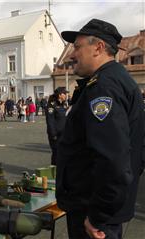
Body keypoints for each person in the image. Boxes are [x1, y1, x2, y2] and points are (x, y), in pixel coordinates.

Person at [56, 19, 145, 239]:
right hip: (104, 209)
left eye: (77, 47)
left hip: (93, 214)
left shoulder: (103, 87)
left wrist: (98, 214)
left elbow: (113, 160)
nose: (71, 55)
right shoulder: (117, 80)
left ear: (98, 48)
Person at [45, 87, 68, 165]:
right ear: (59, 95)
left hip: (64, 133)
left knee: (63, 153)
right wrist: (53, 134)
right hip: (56, 135)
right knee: (57, 153)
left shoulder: (64, 105)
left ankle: (61, 171)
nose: (66, 95)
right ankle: (54, 171)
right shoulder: (51, 105)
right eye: (64, 94)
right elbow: (50, 121)